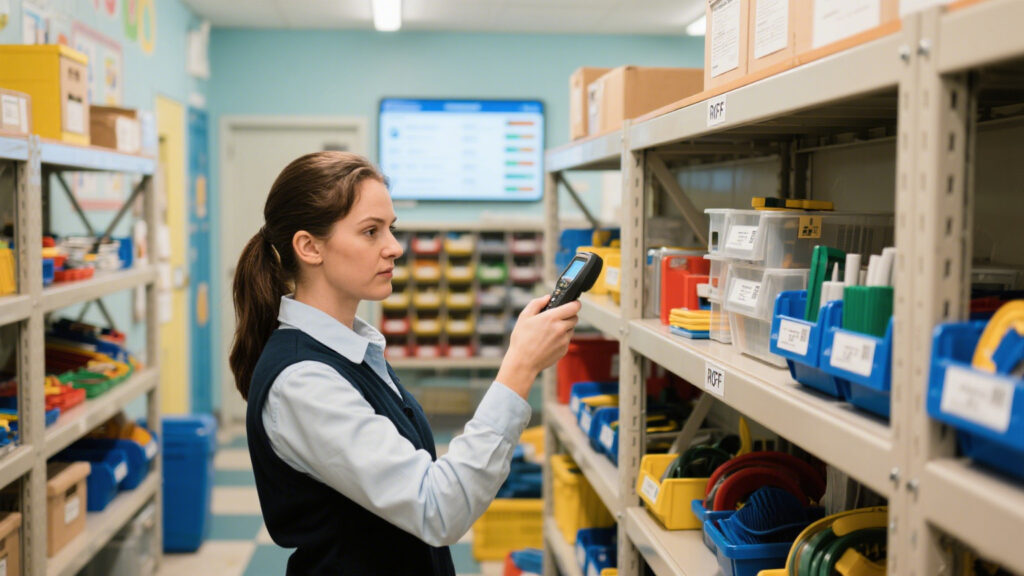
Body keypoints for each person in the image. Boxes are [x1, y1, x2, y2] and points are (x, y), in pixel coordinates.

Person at [229, 151, 581, 575]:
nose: (394, 248)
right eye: (371, 231)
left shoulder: (351, 348)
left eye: (390, 228)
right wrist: (519, 367)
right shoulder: (304, 382)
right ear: (309, 247)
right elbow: (438, 507)